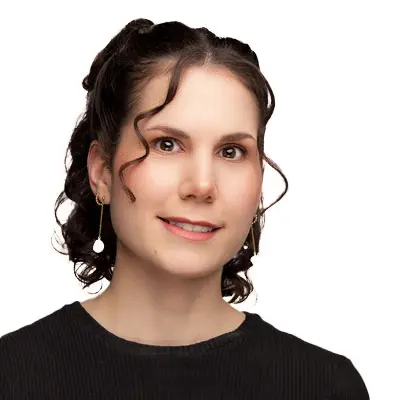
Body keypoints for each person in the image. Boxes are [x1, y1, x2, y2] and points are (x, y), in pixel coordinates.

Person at [0, 18, 369, 399]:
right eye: (167, 145)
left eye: (231, 152)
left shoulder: (323, 386)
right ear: (101, 172)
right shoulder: (13, 377)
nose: (202, 185)